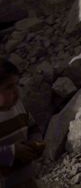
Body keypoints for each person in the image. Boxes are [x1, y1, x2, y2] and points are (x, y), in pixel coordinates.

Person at [0, 59, 44, 188]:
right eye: (9, 87)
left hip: (25, 178)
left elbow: (32, 127)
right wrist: (11, 152)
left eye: (16, 85)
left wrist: (36, 142)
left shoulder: (19, 107)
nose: (16, 91)